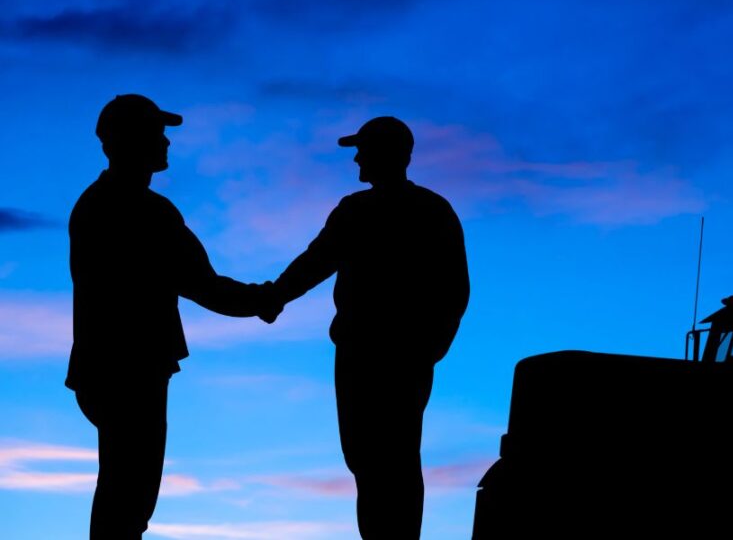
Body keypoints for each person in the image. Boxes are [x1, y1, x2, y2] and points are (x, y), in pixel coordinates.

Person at [67, 94, 281, 540]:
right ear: (130, 140)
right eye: (156, 133)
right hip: (130, 367)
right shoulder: (142, 211)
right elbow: (204, 285)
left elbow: (200, 282)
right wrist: (264, 298)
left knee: (125, 492)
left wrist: (259, 298)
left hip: (112, 367)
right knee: (129, 495)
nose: (166, 142)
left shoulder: (106, 204)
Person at [267, 116, 469, 539]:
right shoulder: (397, 210)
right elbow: (316, 262)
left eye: (363, 149)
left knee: (389, 456)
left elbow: (453, 290)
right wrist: (275, 295)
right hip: (373, 354)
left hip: (387, 355)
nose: (357, 157)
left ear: (388, 154)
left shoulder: (392, 211)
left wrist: (429, 347)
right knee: (369, 457)